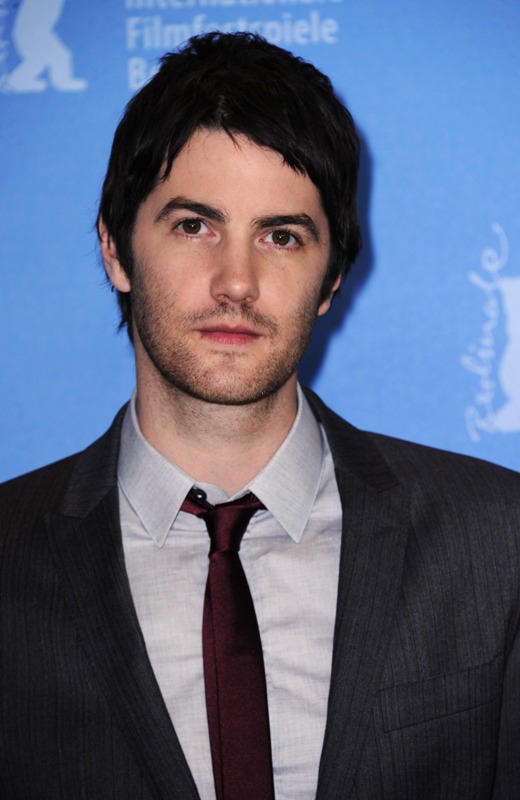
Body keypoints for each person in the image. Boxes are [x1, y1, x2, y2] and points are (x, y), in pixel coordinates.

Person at [1, 31, 519, 800]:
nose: (237, 281)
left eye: (281, 236)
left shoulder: (497, 542)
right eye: (194, 226)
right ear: (114, 249)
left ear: (332, 278)